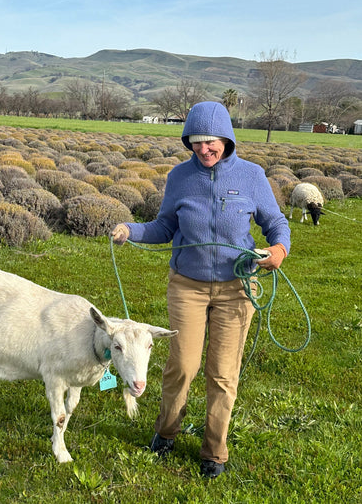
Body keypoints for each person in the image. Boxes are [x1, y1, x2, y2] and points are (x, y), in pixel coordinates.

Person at [111, 101, 290, 479]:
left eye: (211, 143)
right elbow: (163, 226)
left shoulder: (252, 175)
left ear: (227, 138)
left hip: (237, 288)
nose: (204, 150)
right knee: (182, 365)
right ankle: (166, 431)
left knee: (223, 373)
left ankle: (214, 451)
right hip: (187, 287)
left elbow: (275, 223)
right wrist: (131, 229)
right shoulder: (179, 177)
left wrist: (278, 250)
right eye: (195, 144)